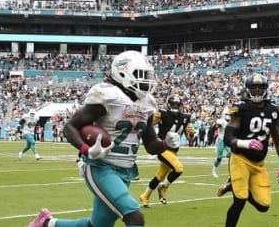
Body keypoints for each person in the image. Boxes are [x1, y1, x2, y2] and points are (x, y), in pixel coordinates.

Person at [28, 50, 167, 227]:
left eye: (147, 75)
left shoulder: (147, 103)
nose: (146, 80)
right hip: (100, 167)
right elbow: (70, 127)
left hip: (126, 170)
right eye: (140, 74)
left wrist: (166, 143)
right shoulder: (109, 95)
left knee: (97, 226)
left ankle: (46, 223)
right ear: (122, 73)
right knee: (134, 217)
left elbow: (150, 145)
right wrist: (86, 149)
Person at [216, 74, 279, 227]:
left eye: (260, 87)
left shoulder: (273, 110)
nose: (257, 90)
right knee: (239, 201)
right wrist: (245, 143)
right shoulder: (241, 109)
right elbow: (228, 137)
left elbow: (278, 140)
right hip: (240, 158)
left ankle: (232, 186)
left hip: (259, 163)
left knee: (264, 206)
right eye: (253, 87)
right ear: (247, 89)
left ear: (265, 89)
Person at [139, 93, 195, 207]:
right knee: (178, 169)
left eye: (177, 104)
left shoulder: (185, 117)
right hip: (162, 147)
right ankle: (164, 187)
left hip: (174, 151)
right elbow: (148, 124)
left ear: (181, 105)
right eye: (173, 104)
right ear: (168, 104)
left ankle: (145, 195)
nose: (175, 106)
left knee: (159, 176)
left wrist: (191, 135)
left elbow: (190, 140)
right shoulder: (162, 113)